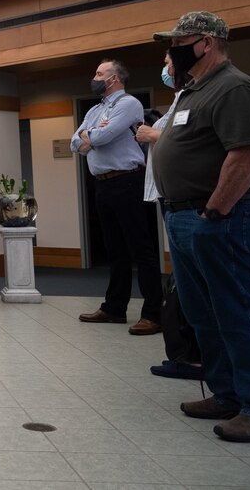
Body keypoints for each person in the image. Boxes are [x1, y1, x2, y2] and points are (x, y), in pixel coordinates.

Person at [152, 11, 250, 443]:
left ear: (206, 42)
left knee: (237, 312)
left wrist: (214, 211)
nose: (172, 49)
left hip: (220, 217)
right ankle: (228, 394)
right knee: (203, 313)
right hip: (184, 216)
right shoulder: (193, 91)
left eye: (179, 40)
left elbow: (246, 155)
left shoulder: (234, 87)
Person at [71, 58, 163, 335]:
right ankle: (114, 308)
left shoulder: (129, 104)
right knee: (115, 250)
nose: (95, 77)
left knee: (140, 248)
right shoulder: (96, 109)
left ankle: (153, 313)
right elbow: (76, 142)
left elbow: (100, 138)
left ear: (115, 78)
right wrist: (89, 136)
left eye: (100, 73)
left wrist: (91, 136)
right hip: (102, 184)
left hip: (127, 181)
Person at [136, 54, 202, 381]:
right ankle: (186, 356)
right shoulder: (180, 97)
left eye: (167, 61)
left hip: (190, 204)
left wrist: (151, 135)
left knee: (196, 286)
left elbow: (187, 139)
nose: (165, 67)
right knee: (182, 285)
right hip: (170, 200)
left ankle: (196, 359)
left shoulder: (199, 95)